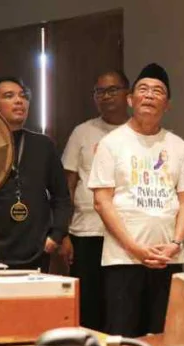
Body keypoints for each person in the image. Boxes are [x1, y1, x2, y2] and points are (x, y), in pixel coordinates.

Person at [88, 63, 184, 337]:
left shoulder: (178, 146)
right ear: (130, 99)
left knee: (165, 336)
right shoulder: (112, 143)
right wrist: (134, 248)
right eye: (143, 89)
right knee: (123, 338)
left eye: (158, 91)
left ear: (168, 104)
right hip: (123, 260)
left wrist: (175, 243)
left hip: (167, 259)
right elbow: (102, 202)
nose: (150, 95)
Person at [60, 70, 130, 331]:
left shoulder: (137, 133)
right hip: (86, 232)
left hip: (126, 235)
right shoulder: (82, 132)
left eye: (112, 90)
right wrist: (64, 233)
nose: (105, 96)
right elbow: (67, 185)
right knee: (88, 306)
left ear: (128, 94)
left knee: (121, 304)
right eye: (99, 92)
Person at [0, 77, 71, 271]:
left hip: (36, 251)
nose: (19, 101)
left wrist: (56, 236)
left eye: (23, 96)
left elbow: (62, 197)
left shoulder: (43, 145)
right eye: (8, 96)